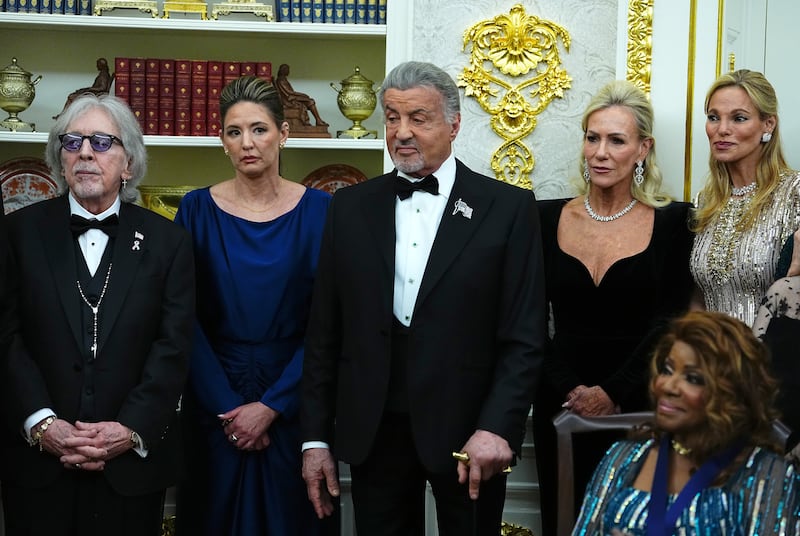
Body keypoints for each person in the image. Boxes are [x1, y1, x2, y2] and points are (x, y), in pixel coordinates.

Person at [299, 60, 546, 535]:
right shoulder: (348, 207)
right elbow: (324, 332)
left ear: (454, 124)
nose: (402, 132)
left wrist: (497, 427)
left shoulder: (508, 208)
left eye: (419, 118)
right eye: (392, 117)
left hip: (471, 434)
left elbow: (525, 335)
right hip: (373, 432)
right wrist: (314, 438)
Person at [0, 93, 195, 536]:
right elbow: (5, 337)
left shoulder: (169, 242)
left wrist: (129, 429)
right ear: (60, 159)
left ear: (129, 164)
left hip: (132, 469)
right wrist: (41, 423)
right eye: (72, 142)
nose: (85, 152)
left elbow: (173, 347)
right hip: (37, 466)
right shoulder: (17, 233)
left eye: (102, 142)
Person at [173, 76, 336, 535]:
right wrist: (229, 409)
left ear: (284, 134)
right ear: (221, 141)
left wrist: (272, 405)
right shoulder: (195, 210)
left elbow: (330, 323)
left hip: (296, 405)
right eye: (234, 131)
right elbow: (182, 319)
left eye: (260, 129)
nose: (248, 143)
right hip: (214, 407)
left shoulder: (325, 211)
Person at [533, 80, 694, 534]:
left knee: (632, 522)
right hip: (559, 403)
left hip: (642, 400)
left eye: (616, 140)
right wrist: (570, 389)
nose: (600, 152)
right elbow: (526, 316)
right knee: (564, 521)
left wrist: (612, 392)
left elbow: (670, 320)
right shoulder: (544, 217)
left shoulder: (674, 222)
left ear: (643, 149)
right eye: (592, 137)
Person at [573, 310, 800, 534]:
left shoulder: (770, 474)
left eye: (692, 378)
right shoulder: (622, 457)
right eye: (667, 370)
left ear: (730, 393)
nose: (668, 386)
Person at [690, 69, 800, 327]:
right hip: (713, 358)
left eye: (739, 118)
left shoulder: (794, 192)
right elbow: (697, 297)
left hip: (774, 359)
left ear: (767, 124)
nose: (722, 129)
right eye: (713, 117)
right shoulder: (704, 202)